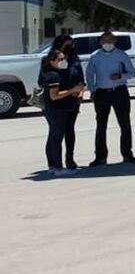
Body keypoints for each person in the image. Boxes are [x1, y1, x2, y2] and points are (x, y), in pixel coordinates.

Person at [86, 31, 135, 166]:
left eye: (110, 41)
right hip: (101, 93)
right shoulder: (95, 56)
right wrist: (92, 90)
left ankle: (127, 154)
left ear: (115, 42)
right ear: (100, 42)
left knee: (124, 123)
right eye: (105, 41)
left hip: (119, 91)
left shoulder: (121, 54)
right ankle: (100, 156)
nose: (107, 44)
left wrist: (121, 76)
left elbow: (132, 73)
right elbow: (89, 74)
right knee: (101, 125)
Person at [40, 48, 84, 177]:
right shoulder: (53, 76)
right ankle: (58, 168)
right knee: (56, 139)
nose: (63, 61)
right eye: (60, 59)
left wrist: (75, 92)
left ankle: (52, 166)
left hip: (58, 109)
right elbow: (54, 95)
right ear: (52, 61)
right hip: (57, 110)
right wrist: (72, 91)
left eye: (64, 59)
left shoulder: (58, 73)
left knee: (53, 137)